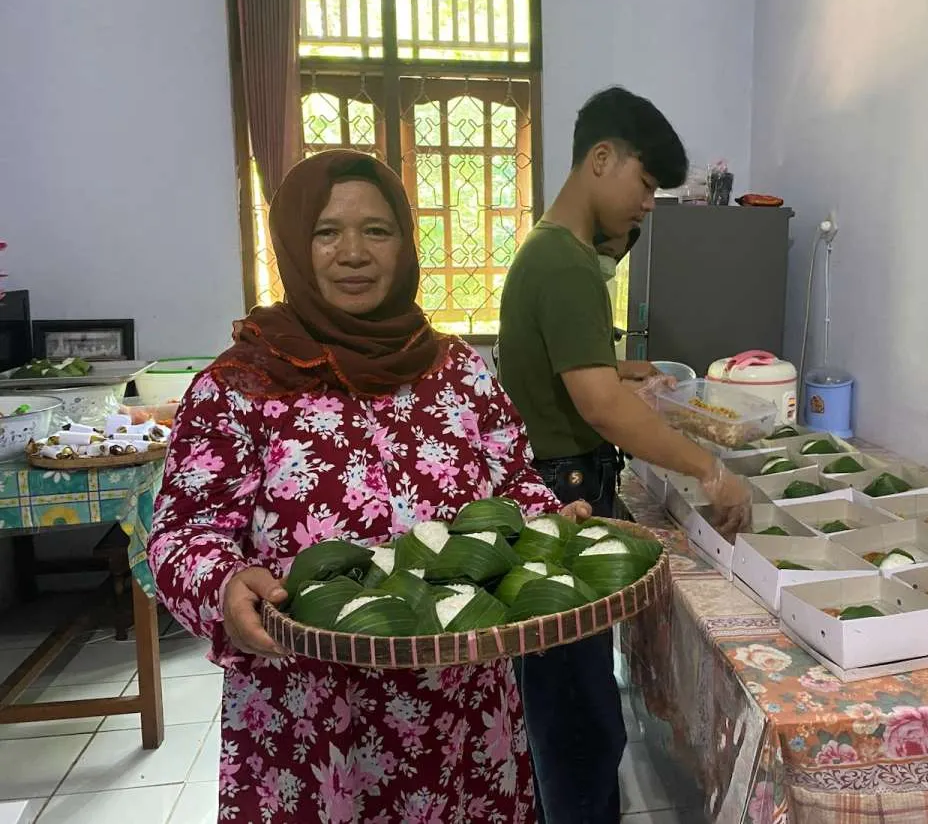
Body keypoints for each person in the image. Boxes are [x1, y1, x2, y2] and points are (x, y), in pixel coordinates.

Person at [148, 149, 589, 824]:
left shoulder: (458, 371)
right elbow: (185, 531)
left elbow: (513, 483)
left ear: (405, 244)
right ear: (294, 245)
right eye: (326, 232)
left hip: (460, 708)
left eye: (376, 231)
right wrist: (224, 585)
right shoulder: (239, 385)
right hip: (310, 712)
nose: (353, 253)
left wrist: (553, 524)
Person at [497, 86, 753, 824]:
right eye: (645, 184)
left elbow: (581, 373)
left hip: (558, 484)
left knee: (568, 699)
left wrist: (627, 372)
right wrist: (709, 469)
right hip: (565, 493)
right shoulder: (566, 262)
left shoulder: (551, 251)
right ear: (601, 159)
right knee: (578, 714)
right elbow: (600, 407)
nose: (647, 204)